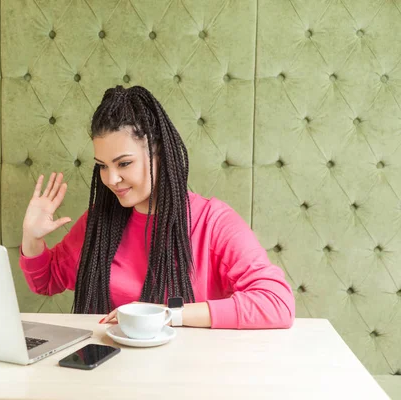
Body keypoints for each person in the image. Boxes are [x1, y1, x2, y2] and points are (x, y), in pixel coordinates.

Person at [19, 85, 295, 329]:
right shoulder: (100, 224)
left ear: (159, 154)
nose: (111, 179)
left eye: (124, 163)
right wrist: (32, 237)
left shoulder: (212, 222)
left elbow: (277, 302)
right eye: (103, 166)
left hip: (190, 377)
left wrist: (169, 314)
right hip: (111, 373)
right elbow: (46, 281)